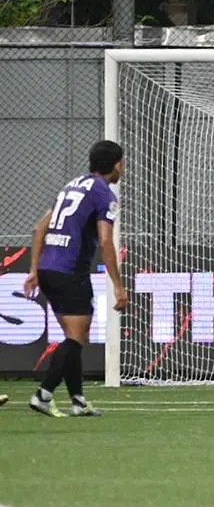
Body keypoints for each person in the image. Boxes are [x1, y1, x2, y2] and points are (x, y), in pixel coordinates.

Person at [25, 140, 129, 417]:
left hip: (48, 269)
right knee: (76, 339)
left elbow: (38, 229)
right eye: (122, 163)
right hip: (70, 271)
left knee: (74, 337)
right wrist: (118, 286)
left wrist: (34, 271)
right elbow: (106, 242)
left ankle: (78, 401)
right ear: (116, 165)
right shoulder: (104, 194)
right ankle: (43, 395)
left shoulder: (72, 185)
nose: (123, 169)